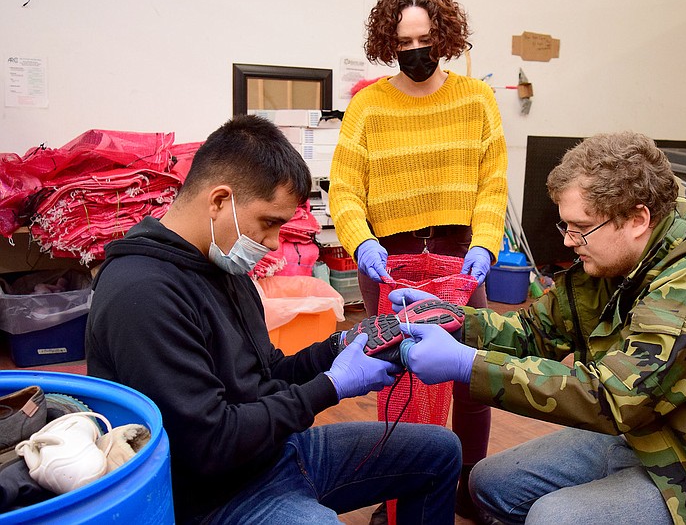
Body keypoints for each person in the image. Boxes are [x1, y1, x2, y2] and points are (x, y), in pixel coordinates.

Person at [390, 131, 686, 524]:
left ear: (637, 218)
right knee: (489, 484)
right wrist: (453, 320)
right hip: (647, 433)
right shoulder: (615, 260)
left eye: (580, 228)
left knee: (554, 517)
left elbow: (611, 397)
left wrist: (468, 365)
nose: (569, 241)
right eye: (566, 226)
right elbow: (536, 331)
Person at [85, 115, 462, 525]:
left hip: (272, 452)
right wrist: (331, 386)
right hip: (213, 495)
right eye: (269, 223)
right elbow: (211, 444)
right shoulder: (143, 294)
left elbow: (267, 375)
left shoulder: (224, 269)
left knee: (440, 450)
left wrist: (342, 345)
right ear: (219, 200)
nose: (272, 243)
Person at [328, 0, 508, 517]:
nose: (416, 52)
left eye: (425, 39)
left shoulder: (477, 99)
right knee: (397, 375)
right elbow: (344, 187)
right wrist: (359, 241)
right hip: (388, 262)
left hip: (459, 259)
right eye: (404, 42)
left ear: (444, 37)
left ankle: (467, 486)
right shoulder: (368, 106)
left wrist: (487, 246)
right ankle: (397, 489)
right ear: (390, 43)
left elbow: (493, 182)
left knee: (470, 376)